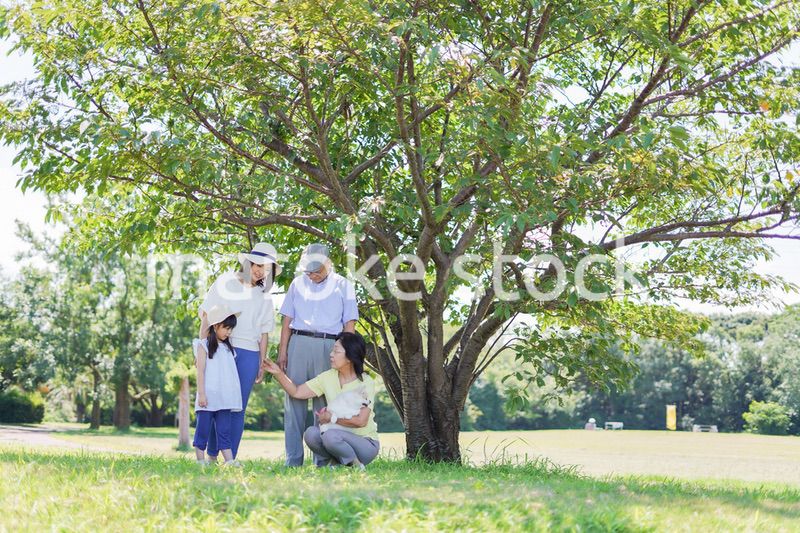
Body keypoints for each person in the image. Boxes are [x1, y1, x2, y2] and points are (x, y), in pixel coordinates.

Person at [277, 243, 359, 466]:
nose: (312, 275)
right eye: (308, 271)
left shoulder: (344, 285)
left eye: (317, 271)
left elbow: (349, 325)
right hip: (299, 343)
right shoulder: (296, 283)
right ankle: (293, 459)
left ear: (327, 264)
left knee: (325, 404)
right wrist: (283, 351)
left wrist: (345, 357)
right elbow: (286, 321)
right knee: (294, 402)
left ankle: (322, 460)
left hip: (329, 347)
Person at [198, 242, 280, 461]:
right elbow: (207, 316)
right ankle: (211, 455)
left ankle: (230, 458)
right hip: (221, 349)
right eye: (257, 264)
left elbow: (264, 334)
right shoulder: (225, 282)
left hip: (249, 353)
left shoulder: (264, 297)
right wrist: (202, 349)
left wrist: (262, 362)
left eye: (266, 268)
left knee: (237, 408)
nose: (259, 270)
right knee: (217, 405)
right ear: (248, 262)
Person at [264, 332, 379, 470]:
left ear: (350, 356)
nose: (331, 354)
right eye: (332, 350)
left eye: (336, 351)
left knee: (330, 435)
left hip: (365, 444)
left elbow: (361, 421)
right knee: (311, 434)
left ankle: (355, 464)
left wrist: (332, 418)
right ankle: (339, 463)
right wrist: (279, 373)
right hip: (337, 438)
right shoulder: (328, 377)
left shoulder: (365, 382)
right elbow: (297, 392)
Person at [193, 305, 243, 467]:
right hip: (207, 397)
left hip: (224, 398)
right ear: (215, 326)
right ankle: (200, 461)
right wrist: (201, 394)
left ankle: (229, 461)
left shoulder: (229, 348)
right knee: (203, 429)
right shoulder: (203, 346)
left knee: (224, 430)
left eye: (231, 329)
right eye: (226, 328)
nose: (229, 332)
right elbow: (200, 371)